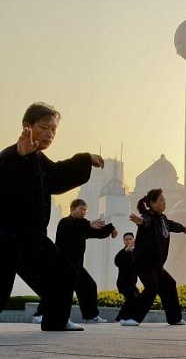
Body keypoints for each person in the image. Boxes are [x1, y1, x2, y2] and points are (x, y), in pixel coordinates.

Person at [0, 102, 104, 331]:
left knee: (63, 273)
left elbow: (57, 176)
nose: (50, 134)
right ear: (27, 126)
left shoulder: (38, 159)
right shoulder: (10, 156)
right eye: (44, 127)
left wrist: (85, 159)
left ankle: (56, 321)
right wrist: (20, 156)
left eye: (54, 129)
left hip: (32, 239)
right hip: (6, 238)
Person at [119, 188, 186, 327]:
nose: (165, 202)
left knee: (169, 284)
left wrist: (183, 228)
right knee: (152, 287)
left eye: (164, 200)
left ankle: (175, 318)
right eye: (161, 200)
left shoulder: (162, 219)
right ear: (152, 203)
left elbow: (172, 225)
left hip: (156, 265)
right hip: (143, 263)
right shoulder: (149, 216)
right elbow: (145, 222)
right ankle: (131, 317)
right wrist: (140, 222)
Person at [51, 198, 117, 323]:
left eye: (85, 210)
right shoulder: (65, 223)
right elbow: (77, 225)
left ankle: (91, 316)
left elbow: (97, 232)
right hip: (64, 265)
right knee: (61, 291)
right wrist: (88, 224)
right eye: (81, 209)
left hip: (77, 267)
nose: (84, 212)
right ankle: (45, 315)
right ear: (72, 209)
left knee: (89, 286)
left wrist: (111, 228)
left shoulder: (83, 225)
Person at [114, 232, 137, 322]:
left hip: (132, 283)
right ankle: (120, 319)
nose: (128, 241)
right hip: (123, 283)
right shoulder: (122, 253)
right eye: (126, 239)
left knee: (135, 299)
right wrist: (126, 250)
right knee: (130, 298)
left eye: (130, 239)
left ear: (134, 240)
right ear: (124, 241)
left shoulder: (136, 253)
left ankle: (127, 318)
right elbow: (117, 262)